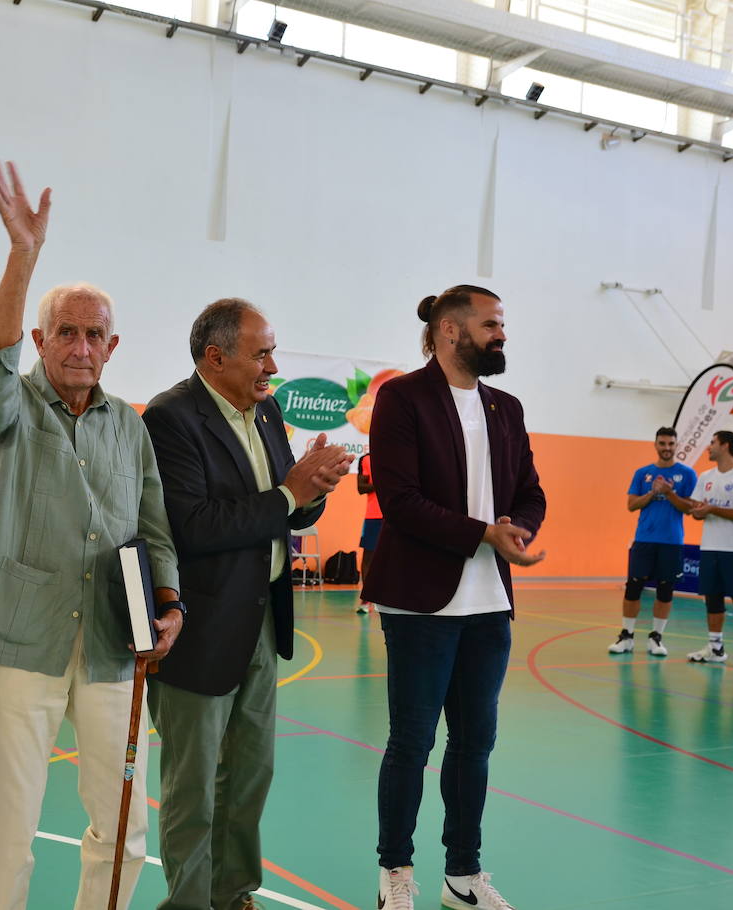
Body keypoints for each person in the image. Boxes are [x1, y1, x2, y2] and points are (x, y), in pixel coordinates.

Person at [0, 161, 181, 910]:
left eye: (94, 335)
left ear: (113, 347)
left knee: (125, 824)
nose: (80, 346)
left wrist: (168, 603)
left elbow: (153, 527)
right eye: (66, 333)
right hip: (22, 639)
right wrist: (23, 257)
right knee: (8, 827)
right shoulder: (9, 412)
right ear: (42, 340)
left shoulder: (130, 427)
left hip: (116, 639)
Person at [142, 299, 351, 910]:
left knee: (251, 776)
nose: (272, 366)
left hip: (262, 620)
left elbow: (283, 505)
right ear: (216, 356)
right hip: (200, 626)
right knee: (193, 785)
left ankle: (234, 894)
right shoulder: (170, 418)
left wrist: (314, 488)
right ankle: (186, 902)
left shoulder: (267, 411)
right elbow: (195, 526)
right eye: (261, 353)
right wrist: (291, 491)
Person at [362, 286, 546, 910]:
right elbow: (401, 501)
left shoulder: (506, 407)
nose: (501, 334)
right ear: (449, 330)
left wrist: (517, 531)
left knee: (475, 745)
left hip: (489, 606)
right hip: (420, 605)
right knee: (411, 744)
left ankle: (462, 874)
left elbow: (530, 492)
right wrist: (482, 534)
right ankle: (395, 872)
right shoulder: (402, 398)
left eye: (502, 325)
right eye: (491, 324)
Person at [607, 427, 697, 657]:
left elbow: (690, 508)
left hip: (672, 540)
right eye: (662, 443)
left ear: (676, 446)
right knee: (633, 588)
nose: (666, 448)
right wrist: (652, 492)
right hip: (644, 539)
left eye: (670, 444)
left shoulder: (687, 474)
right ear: (655, 445)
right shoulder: (642, 473)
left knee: (665, 590)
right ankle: (626, 636)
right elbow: (631, 505)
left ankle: (656, 638)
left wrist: (669, 493)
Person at [686, 430, 733, 670]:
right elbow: (698, 510)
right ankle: (715, 649)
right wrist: (698, 511)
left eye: (713, 443)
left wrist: (711, 510)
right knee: (713, 599)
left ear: (725, 446)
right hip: (710, 547)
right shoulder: (705, 476)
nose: (709, 447)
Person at [356, 451, 381, 614]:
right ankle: (366, 598)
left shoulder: (400, 455)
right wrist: (383, 483)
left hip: (397, 514)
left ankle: (388, 598)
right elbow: (361, 488)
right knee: (369, 558)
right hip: (373, 516)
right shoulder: (366, 459)